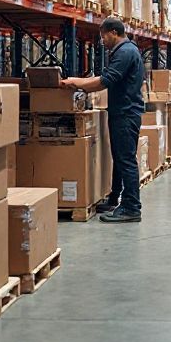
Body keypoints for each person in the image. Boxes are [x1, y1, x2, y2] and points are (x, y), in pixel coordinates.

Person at [62, 17, 145, 223]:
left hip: (126, 114)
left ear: (114, 33)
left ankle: (132, 207)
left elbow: (105, 82)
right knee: (119, 158)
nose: (102, 41)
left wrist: (77, 83)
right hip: (121, 112)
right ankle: (115, 198)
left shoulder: (125, 52)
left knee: (126, 160)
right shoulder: (124, 51)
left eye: (103, 36)